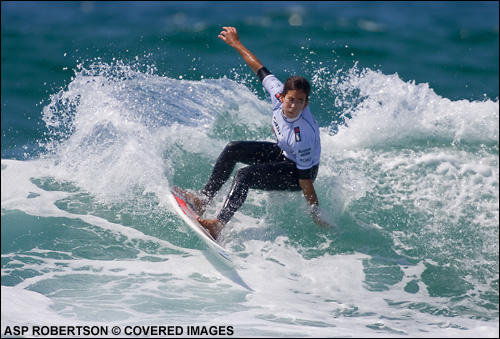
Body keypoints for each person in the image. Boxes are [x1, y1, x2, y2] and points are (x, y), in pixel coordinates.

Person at [175, 26, 329, 239]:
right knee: (233, 149)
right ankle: (203, 200)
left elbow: (305, 180)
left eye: (300, 102)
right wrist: (235, 43)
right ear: (282, 97)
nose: (294, 106)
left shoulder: (302, 135)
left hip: (299, 174)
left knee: (244, 175)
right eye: (291, 99)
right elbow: (258, 67)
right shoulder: (277, 94)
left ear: (306, 103)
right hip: (285, 153)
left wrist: (315, 212)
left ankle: (218, 225)